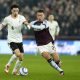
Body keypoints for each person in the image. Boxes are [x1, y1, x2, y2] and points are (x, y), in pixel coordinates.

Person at [28, 9, 64, 75]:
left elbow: (41, 28)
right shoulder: (33, 22)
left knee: (57, 62)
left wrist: (30, 25)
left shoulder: (46, 23)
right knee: (48, 58)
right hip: (40, 45)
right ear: (36, 16)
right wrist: (25, 23)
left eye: (41, 15)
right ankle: (61, 71)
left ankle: (59, 65)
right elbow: (27, 26)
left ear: (44, 16)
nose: (39, 17)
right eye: (38, 15)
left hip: (49, 44)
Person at [0, 4, 29, 75]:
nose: (16, 12)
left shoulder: (21, 17)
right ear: (11, 11)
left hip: (19, 40)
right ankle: (8, 65)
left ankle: (15, 71)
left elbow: (25, 22)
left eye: (17, 11)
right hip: (11, 40)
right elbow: (2, 25)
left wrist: (27, 25)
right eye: (14, 11)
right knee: (18, 54)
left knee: (21, 57)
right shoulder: (7, 18)